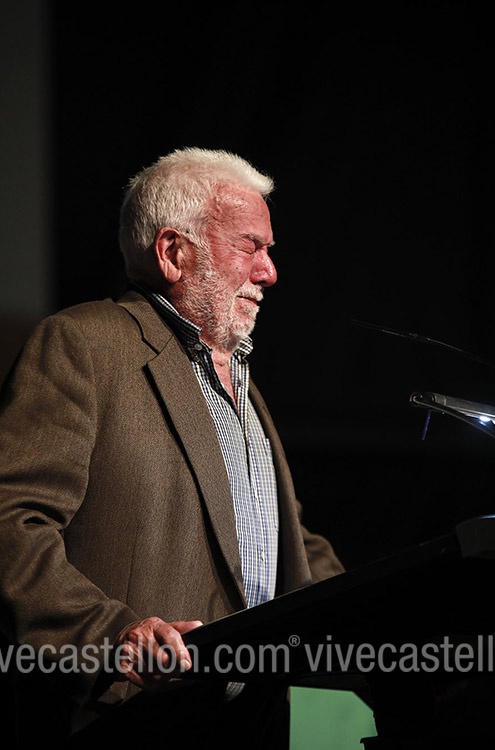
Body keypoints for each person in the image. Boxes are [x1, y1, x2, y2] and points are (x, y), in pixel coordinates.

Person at [0, 147, 344, 749]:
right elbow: (12, 521)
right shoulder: (83, 345)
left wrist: (389, 618)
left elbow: (287, 544)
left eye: (269, 250)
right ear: (173, 252)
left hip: (256, 726)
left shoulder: (241, 383)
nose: (269, 272)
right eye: (250, 247)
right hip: (131, 723)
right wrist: (111, 636)